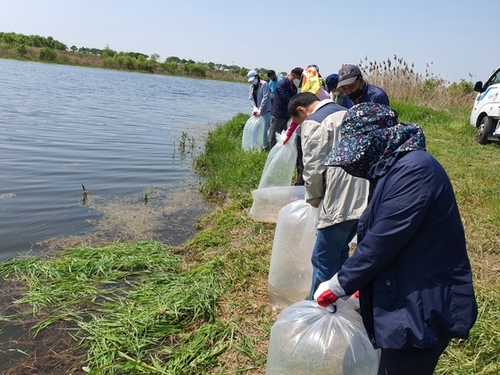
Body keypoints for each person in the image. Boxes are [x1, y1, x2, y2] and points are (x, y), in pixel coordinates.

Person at [314, 102, 478, 375]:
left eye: (359, 152)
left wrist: (339, 283)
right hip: (406, 290)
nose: (356, 162)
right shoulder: (392, 169)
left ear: (377, 142)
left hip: (423, 304)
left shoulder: (414, 171)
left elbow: (383, 239)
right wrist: (361, 285)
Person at [287, 93, 369, 299]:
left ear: (301, 110)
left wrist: (314, 198)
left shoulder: (314, 121)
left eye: (298, 122)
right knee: (340, 250)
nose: (300, 126)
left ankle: (317, 310)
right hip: (366, 195)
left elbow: (313, 168)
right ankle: (337, 300)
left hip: (340, 199)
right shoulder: (349, 112)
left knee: (322, 258)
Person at [269, 67, 303, 149]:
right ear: (293, 75)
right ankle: (271, 154)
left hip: (286, 116)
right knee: (273, 137)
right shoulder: (282, 84)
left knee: (282, 136)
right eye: (298, 78)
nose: (299, 80)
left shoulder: (294, 87)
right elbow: (285, 98)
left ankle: (279, 153)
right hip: (278, 115)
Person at [247, 70, 271, 149]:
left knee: (264, 130)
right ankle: (254, 146)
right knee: (254, 129)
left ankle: (264, 147)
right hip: (256, 111)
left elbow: (265, 97)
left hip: (265, 111)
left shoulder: (264, 84)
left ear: (257, 77)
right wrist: (254, 108)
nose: (252, 82)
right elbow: (250, 98)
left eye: (253, 80)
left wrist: (260, 109)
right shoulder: (251, 86)